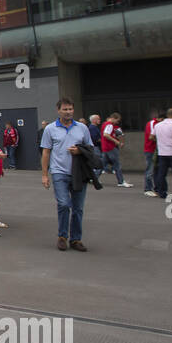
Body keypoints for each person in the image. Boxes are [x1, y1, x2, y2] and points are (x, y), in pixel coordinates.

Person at [40, 97, 92, 252]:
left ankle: (76, 239)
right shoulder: (50, 129)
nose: (68, 112)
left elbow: (90, 149)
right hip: (59, 172)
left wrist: (79, 150)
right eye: (65, 109)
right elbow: (46, 151)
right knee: (63, 204)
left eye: (70, 109)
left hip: (79, 173)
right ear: (58, 111)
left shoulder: (82, 128)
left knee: (78, 208)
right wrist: (44, 174)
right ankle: (62, 236)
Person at [100, 113, 133, 187]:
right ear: (114, 118)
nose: (117, 123)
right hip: (110, 147)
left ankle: (93, 178)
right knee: (117, 164)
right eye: (117, 120)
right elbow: (106, 134)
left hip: (105, 147)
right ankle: (121, 181)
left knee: (102, 164)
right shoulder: (110, 125)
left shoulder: (105, 124)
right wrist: (116, 141)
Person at [142, 108, 161, 196]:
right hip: (150, 149)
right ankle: (148, 188)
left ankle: (155, 188)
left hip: (153, 149)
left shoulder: (155, 123)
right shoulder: (153, 124)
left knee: (154, 169)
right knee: (150, 169)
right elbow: (152, 136)